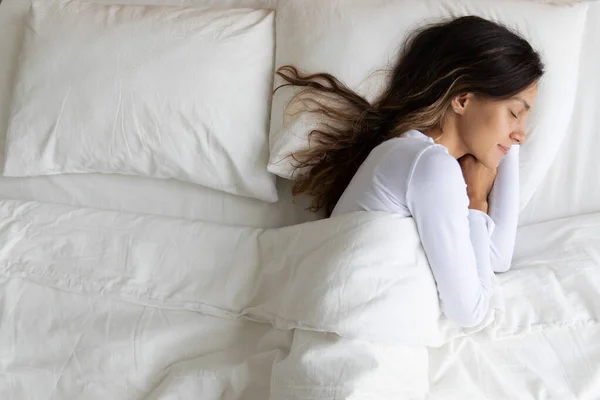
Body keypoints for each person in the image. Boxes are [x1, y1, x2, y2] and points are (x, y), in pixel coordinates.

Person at [276, 16, 544, 327]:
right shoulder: (429, 166)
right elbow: (471, 313)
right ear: (462, 99)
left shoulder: (416, 156)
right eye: (514, 113)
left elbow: (496, 257)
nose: (522, 134)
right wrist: (475, 199)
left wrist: (505, 150)